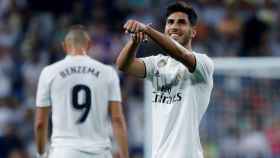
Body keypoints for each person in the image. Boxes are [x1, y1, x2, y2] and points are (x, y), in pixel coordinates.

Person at [116, 1, 214, 158]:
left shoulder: (204, 63)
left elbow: (180, 54)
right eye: (170, 22)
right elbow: (123, 64)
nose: (174, 26)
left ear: (193, 32)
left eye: (181, 22)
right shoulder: (157, 63)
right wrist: (134, 41)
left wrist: (147, 30)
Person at [34, 25, 129, 158]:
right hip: (99, 152)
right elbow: (117, 119)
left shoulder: (49, 72)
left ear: (64, 46)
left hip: (63, 152)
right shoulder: (108, 72)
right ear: (89, 45)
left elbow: (40, 123)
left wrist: (41, 154)